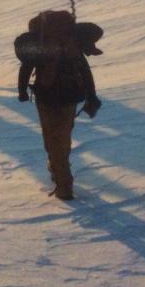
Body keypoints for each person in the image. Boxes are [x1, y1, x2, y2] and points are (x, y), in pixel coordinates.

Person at [16, 11, 102, 200]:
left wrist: (22, 91)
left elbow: (26, 67)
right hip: (69, 97)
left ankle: (63, 185)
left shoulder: (41, 43)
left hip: (46, 97)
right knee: (62, 137)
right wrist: (91, 96)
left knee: (52, 138)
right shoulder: (72, 43)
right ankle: (58, 167)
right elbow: (85, 70)